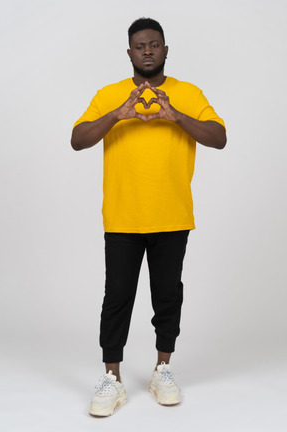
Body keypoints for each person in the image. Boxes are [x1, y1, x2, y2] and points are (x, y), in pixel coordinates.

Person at [71, 17, 226, 416]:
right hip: (123, 217)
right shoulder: (110, 95)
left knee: (168, 295)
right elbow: (77, 139)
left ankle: (163, 369)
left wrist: (176, 117)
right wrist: (118, 115)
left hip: (172, 215)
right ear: (129, 53)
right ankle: (112, 378)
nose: (147, 51)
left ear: (165, 49)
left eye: (154, 44)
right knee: (117, 298)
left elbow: (219, 137)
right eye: (140, 46)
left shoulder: (187, 93)